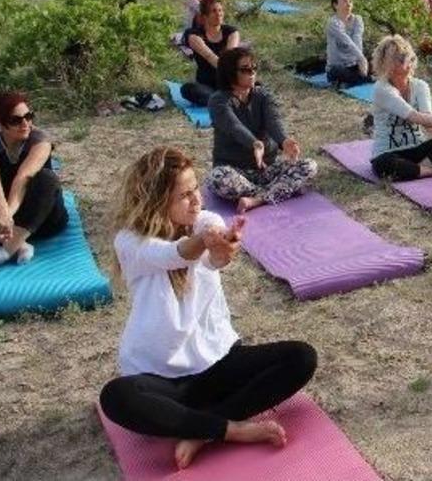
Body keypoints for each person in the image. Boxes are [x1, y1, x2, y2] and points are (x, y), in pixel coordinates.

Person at [98, 147, 317, 471]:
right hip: (162, 379)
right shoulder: (130, 242)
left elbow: (214, 254)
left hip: (218, 361)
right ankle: (232, 428)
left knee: (301, 358)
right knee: (116, 397)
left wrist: (221, 252)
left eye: (195, 188)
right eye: (184, 195)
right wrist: (205, 242)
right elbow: (173, 254)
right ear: (158, 202)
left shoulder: (205, 221)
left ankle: (201, 430)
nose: (197, 200)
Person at [207, 49, 317, 213]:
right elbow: (234, 126)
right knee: (217, 179)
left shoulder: (263, 95)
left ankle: (257, 200)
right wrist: (255, 144)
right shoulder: (218, 100)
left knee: (309, 166)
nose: (252, 73)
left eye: (254, 68)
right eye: (245, 69)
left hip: (266, 170)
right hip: (235, 172)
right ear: (230, 72)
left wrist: (284, 141)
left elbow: (274, 121)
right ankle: (278, 191)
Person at [0, 92, 67, 272]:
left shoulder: (40, 139)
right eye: (16, 120)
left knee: (47, 178)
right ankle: (18, 244)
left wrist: (6, 216)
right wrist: (1, 213)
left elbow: (24, 177)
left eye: (28, 116)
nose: (25, 124)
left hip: (42, 220)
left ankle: (4, 253)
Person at [369, 35, 432, 181]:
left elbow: (426, 117)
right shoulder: (382, 88)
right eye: (399, 57)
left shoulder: (420, 86)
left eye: (406, 55)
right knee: (384, 165)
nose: (406, 60)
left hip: (417, 148)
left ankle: (419, 169)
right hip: (388, 152)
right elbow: (414, 116)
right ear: (386, 63)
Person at [180, 0, 240, 106]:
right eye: (214, 11)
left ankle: (227, 98)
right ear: (204, 17)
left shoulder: (231, 32)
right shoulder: (193, 35)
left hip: (227, 81)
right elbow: (210, 57)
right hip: (207, 84)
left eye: (220, 10)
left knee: (255, 85)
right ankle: (226, 99)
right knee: (187, 89)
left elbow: (230, 56)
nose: (218, 14)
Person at [325, 0, 372, 89]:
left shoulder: (357, 19)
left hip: (354, 64)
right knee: (336, 70)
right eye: (344, 1)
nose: (348, 4)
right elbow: (347, 42)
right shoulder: (333, 23)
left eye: (350, 1)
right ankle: (364, 79)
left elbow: (357, 39)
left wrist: (361, 62)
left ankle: (352, 81)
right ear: (335, 5)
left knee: (376, 61)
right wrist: (362, 59)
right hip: (339, 66)